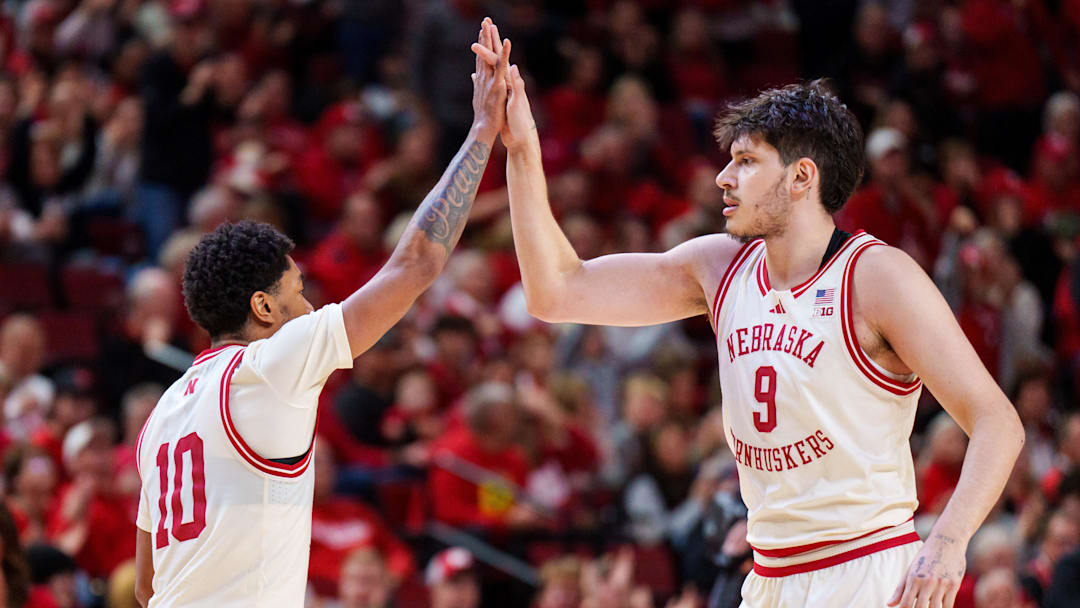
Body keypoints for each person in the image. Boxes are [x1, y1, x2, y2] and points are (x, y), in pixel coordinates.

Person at [473, 26, 1024, 608]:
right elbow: (557, 292)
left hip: (866, 568)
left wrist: (948, 541)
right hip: (768, 576)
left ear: (802, 177)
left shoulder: (876, 277)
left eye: (746, 161)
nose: (723, 177)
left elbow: (997, 422)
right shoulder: (718, 266)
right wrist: (523, 150)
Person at [133, 19, 511, 607]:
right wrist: (483, 131)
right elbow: (415, 264)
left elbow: (145, 584)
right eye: (298, 291)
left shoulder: (162, 414)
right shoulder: (268, 367)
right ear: (263, 307)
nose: (310, 306)